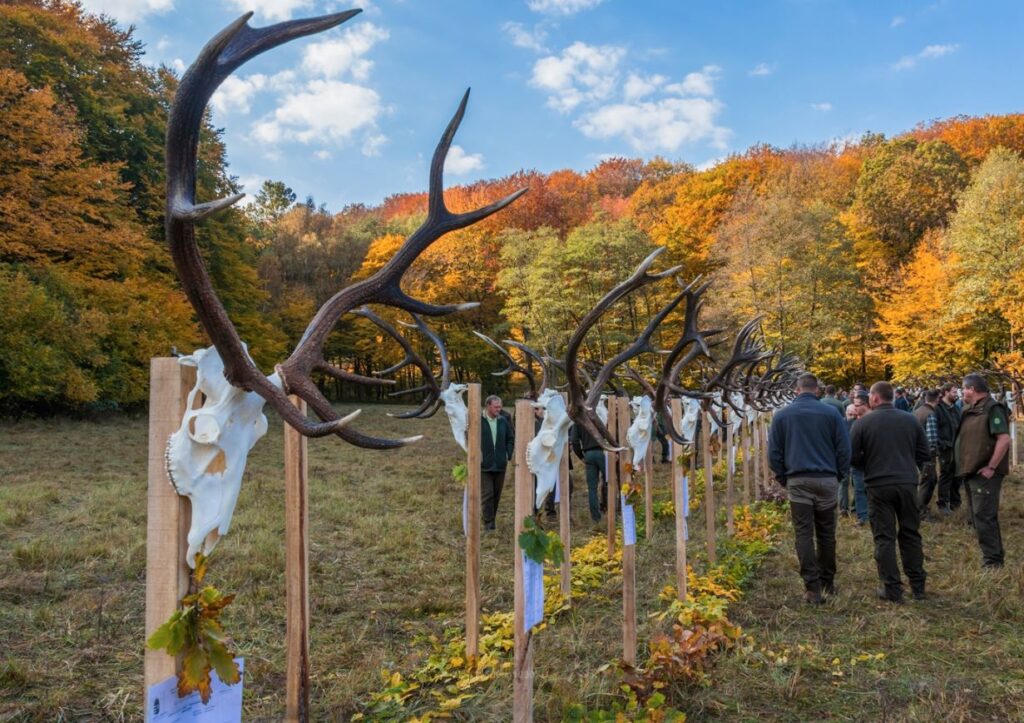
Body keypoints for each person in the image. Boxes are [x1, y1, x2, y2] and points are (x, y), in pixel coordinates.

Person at [768, 372, 851, 604]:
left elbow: (773, 452)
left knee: (803, 533)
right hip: (826, 479)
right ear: (817, 390)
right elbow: (844, 448)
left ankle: (812, 587)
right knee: (826, 532)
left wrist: (783, 478)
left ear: (796, 390)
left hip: (799, 480)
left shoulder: (782, 415)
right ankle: (828, 581)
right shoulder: (832, 414)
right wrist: (840, 474)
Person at [850, 381, 930, 603]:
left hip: (878, 484)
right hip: (906, 483)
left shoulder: (863, 424)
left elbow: (853, 457)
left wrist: (871, 461)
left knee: (884, 537)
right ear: (892, 396)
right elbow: (924, 453)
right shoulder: (910, 419)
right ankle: (918, 586)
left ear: (874, 398)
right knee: (911, 533)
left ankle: (892, 588)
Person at [955, 373, 1012, 568]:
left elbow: (1004, 439)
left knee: (984, 516)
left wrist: (991, 467)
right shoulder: (971, 409)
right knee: (977, 516)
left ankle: (993, 562)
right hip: (971, 470)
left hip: (985, 473)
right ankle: (991, 557)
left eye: (964, 388)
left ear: (972, 389)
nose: (962, 392)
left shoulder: (992, 408)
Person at [480, 395, 514, 531]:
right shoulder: (479, 421)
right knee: (487, 494)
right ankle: (488, 523)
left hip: (500, 464)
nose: (499, 409)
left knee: (496, 495)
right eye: (496, 407)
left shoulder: (503, 421)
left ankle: (491, 519)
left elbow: (510, 438)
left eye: (500, 407)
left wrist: (508, 454)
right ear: (488, 406)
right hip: (484, 465)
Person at [839, 391, 870, 524]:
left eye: (857, 406)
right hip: (855, 461)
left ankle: (866, 511)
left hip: (869, 460)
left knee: (866, 488)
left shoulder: (870, 421)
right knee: (858, 488)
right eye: (853, 407)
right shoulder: (849, 423)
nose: (855, 410)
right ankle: (861, 515)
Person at [570, 421, 605, 526]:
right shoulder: (597, 415)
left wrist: (581, 456)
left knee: (592, 488)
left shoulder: (578, 422)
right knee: (609, 482)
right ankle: (609, 509)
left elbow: (574, 440)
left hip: (588, 454)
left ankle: (596, 518)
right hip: (603, 452)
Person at [913, 389, 942, 518]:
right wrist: (933, 454)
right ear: (937, 399)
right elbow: (931, 439)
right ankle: (920, 510)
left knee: (928, 480)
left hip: (916, 452)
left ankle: (921, 508)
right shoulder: (930, 414)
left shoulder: (916, 412)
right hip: (926, 455)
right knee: (928, 481)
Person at [935, 383, 962, 511]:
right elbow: (935, 429)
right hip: (946, 448)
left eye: (956, 392)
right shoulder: (938, 409)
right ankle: (943, 503)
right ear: (945, 392)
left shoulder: (956, 408)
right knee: (946, 475)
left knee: (958, 476)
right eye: (954, 392)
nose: (956, 395)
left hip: (957, 447)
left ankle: (955, 502)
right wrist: (942, 444)